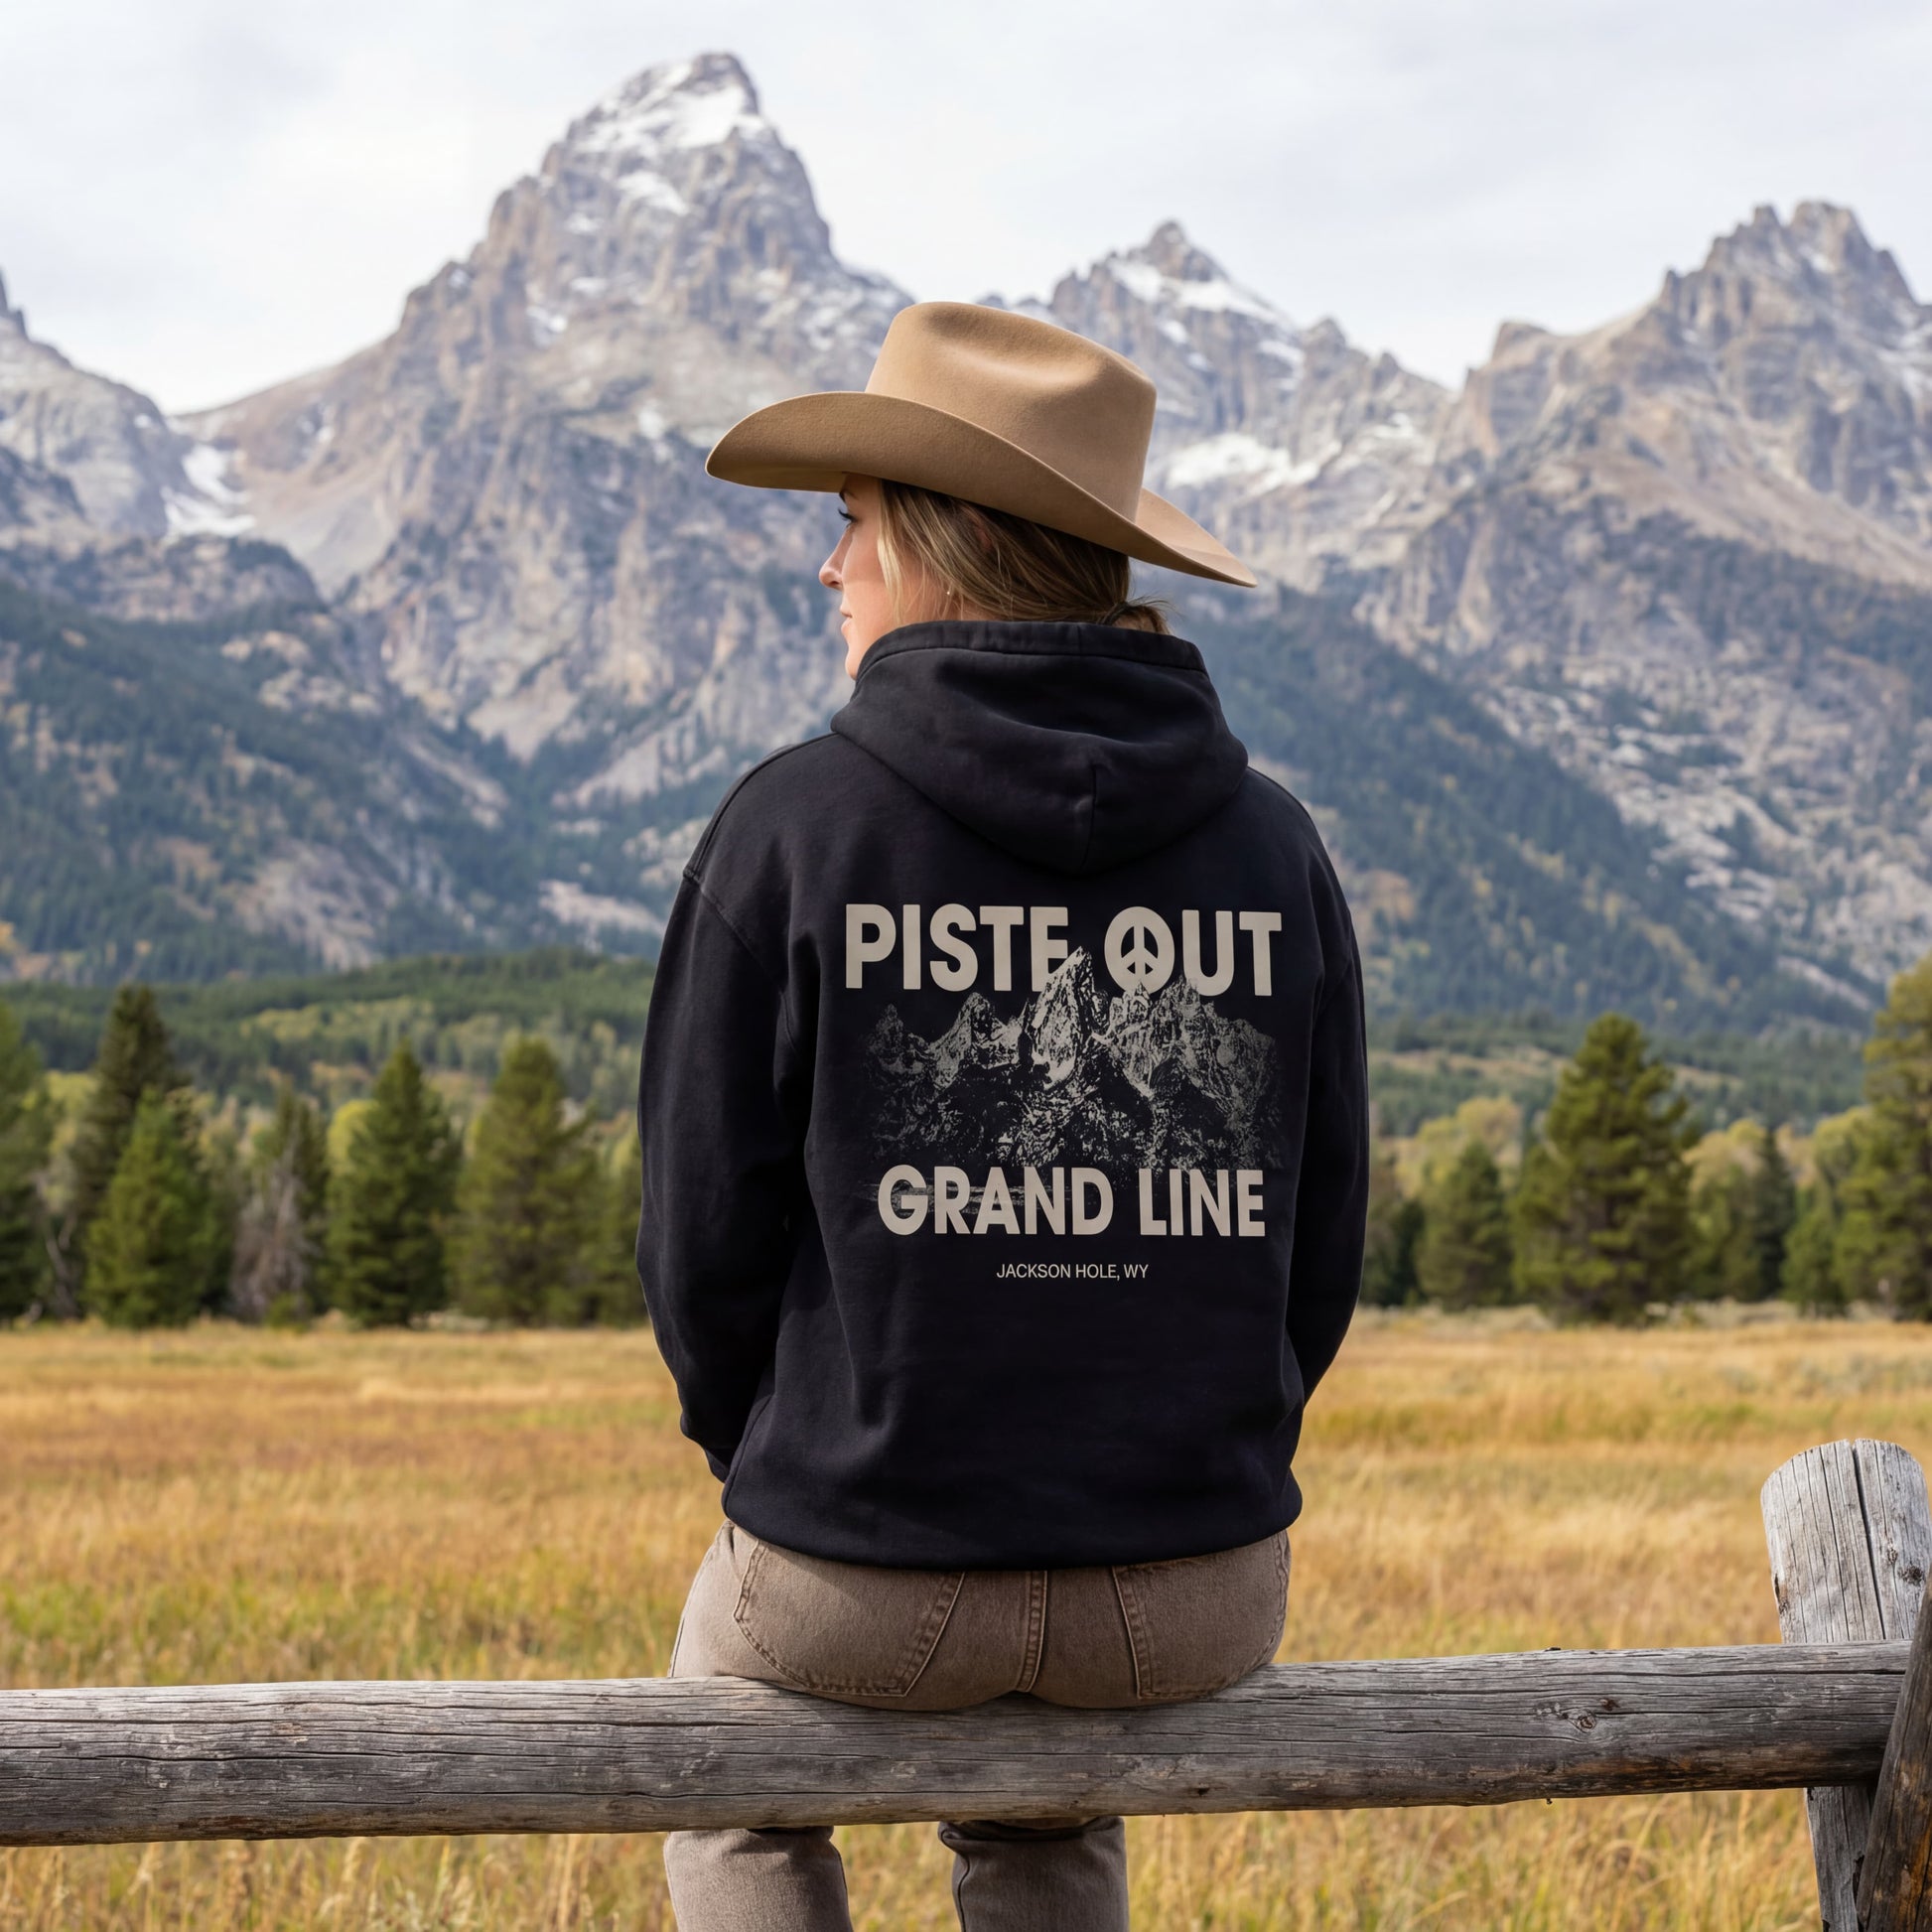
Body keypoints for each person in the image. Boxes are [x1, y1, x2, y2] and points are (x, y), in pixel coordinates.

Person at [636, 301, 1369, 1932]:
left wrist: (787, 1472)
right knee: (1043, 1814)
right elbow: (1319, 1235)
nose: (829, 570)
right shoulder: (1272, 846)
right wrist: (1186, 1458)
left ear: (933, 542)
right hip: (1192, 1584)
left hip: (861, 1564)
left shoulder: (790, 828)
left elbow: (699, 1235)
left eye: (849, 526)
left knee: (731, 1787)